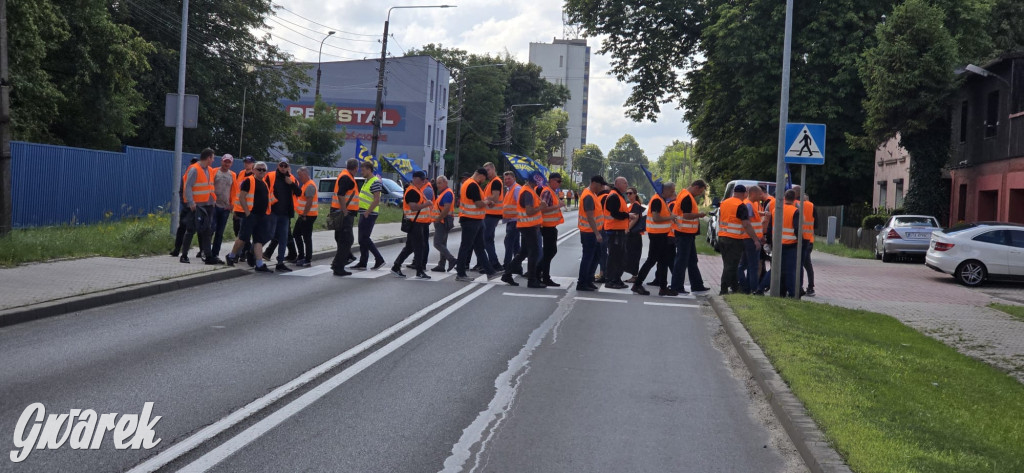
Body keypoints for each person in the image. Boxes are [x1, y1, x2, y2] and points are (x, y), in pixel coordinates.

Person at [225, 162, 275, 273]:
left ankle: (259, 264)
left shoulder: (264, 183)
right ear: (254, 170)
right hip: (250, 215)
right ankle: (231, 256)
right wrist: (247, 213)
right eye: (259, 169)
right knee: (243, 238)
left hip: (261, 216)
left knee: (258, 240)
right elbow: (242, 197)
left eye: (263, 170)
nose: (261, 171)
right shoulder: (249, 181)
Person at [717, 184, 762, 295]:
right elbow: (746, 224)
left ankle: (735, 287)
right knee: (731, 265)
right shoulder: (741, 205)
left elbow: (721, 219)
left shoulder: (724, 203)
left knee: (729, 264)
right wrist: (755, 239)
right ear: (744, 193)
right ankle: (723, 289)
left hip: (722, 237)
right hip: (734, 239)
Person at [632, 183, 676, 296]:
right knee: (651, 260)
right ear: (665, 191)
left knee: (663, 262)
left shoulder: (662, 200)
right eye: (671, 191)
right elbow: (656, 218)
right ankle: (637, 284)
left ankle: (663, 287)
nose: (673, 194)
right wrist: (670, 217)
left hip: (662, 235)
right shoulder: (657, 200)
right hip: (657, 235)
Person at [502, 174, 545, 288]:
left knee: (524, 252)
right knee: (534, 253)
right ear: (534, 182)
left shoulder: (529, 190)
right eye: (538, 182)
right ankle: (532, 280)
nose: (538, 185)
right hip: (529, 226)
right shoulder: (527, 192)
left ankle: (507, 273)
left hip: (527, 225)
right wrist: (541, 207)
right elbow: (529, 211)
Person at [671, 180, 712, 294]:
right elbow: (686, 215)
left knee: (692, 260)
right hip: (684, 233)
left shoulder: (684, 194)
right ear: (696, 187)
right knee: (682, 261)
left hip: (687, 233)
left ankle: (697, 285)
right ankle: (677, 286)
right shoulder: (687, 197)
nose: (700, 194)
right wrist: (700, 214)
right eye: (700, 191)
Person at [455, 169, 497, 281]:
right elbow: (478, 204)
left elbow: (478, 201)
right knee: (466, 247)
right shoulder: (472, 185)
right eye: (484, 178)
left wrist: (486, 202)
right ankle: (460, 273)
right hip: (471, 220)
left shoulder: (470, 184)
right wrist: (487, 202)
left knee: (479, 247)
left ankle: (490, 272)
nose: (484, 181)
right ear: (480, 175)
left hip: (475, 220)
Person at [392, 171, 434, 279]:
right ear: (415, 179)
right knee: (419, 247)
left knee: (410, 247)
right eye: (422, 179)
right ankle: (419, 271)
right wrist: (427, 204)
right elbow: (413, 207)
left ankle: (396, 266)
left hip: (418, 223)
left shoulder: (417, 190)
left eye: (424, 179)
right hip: (415, 224)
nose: (424, 181)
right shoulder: (412, 191)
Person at [261, 161, 301, 272]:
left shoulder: (292, 178)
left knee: (283, 238)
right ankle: (253, 252)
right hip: (273, 212)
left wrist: (291, 183)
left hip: (285, 213)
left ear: (288, 167)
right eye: (281, 165)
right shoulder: (271, 176)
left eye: (285, 166)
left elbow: (299, 192)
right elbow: (264, 190)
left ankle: (280, 262)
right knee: (269, 235)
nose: (283, 168)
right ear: (278, 166)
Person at [181, 149, 219, 264]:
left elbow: (209, 187)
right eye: (212, 158)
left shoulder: (209, 170)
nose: (213, 160)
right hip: (197, 206)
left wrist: (213, 201)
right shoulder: (194, 169)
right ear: (208, 158)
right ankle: (184, 255)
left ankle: (208, 256)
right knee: (191, 230)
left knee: (207, 231)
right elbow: (188, 186)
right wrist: (191, 202)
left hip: (208, 205)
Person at [766, 189, 801, 297]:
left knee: (776, 268)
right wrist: (801, 241)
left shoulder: (776, 210)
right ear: (794, 199)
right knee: (790, 270)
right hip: (790, 244)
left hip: (777, 244)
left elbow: (769, 228)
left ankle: (761, 287)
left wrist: (768, 242)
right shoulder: (795, 210)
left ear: (784, 197)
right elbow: (797, 228)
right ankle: (792, 293)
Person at [601, 177, 634, 289]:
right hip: (614, 231)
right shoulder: (614, 196)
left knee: (620, 257)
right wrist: (628, 216)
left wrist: (626, 216)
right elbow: (615, 213)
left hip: (618, 231)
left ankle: (616, 279)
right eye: (625, 183)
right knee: (614, 257)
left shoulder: (618, 196)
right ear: (618, 184)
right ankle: (610, 280)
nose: (627, 185)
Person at [352, 161, 386, 270]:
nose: (361, 172)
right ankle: (363, 262)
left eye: (363, 170)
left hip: (369, 213)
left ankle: (379, 259)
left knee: (365, 238)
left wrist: (367, 212)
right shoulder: (367, 181)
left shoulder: (374, 181)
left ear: (369, 170)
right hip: (364, 212)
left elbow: (376, 199)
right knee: (362, 239)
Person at [330, 159, 361, 276]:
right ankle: (338, 266)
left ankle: (342, 260)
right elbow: (341, 195)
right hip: (343, 214)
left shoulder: (344, 175)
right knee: (347, 240)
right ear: (356, 168)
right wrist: (345, 210)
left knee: (341, 238)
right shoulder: (347, 178)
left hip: (338, 212)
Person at [576, 176, 607, 291]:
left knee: (595, 256)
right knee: (588, 258)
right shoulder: (588, 196)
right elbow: (590, 217)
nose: (602, 187)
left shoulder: (592, 194)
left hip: (593, 232)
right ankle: (582, 282)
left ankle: (589, 280)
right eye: (600, 185)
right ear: (594, 183)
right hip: (589, 233)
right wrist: (597, 234)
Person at [537, 173, 564, 286]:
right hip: (547, 226)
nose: (559, 183)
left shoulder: (552, 191)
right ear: (552, 181)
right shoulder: (547, 191)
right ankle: (541, 274)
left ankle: (538, 273)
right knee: (549, 252)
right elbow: (543, 209)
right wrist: (558, 206)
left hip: (550, 226)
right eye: (558, 181)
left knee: (549, 252)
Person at [170, 157, 200, 258]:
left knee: (200, 229)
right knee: (182, 227)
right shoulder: (186, 176)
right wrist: (185, 203)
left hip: (199, 207)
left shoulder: (202, 175)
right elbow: (181, 191)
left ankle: (202, 250)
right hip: (187, 207)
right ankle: (177, 249)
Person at [209, 154, 236, 261]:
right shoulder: (214, 171)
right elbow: (209, 186)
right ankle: (205, 251)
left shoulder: (233, 175)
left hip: (225, 208)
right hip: (214, 205)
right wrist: (211, 201)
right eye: (225, 161)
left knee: (220, 233)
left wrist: (232, 204)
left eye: (229, 162)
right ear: (221, 161)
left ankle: (215, 253)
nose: (226, 164)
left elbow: (235, 191)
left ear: (231, 163)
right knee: (211, 229)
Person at [231, 156, 256, 266]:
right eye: (245, 162)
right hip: (238, 208)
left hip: (248, 209)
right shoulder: (240, 174)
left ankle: (239, 254)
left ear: (253, 164)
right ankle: (245, 252)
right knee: (238, 232)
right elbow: (237, 192)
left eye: (249, 162)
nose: (247, 164)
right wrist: (234, 209)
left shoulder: (254, 176)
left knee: (243, 234)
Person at [792, 185, 817, 296]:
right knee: (807, 265)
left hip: (796, 239)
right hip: (809, 239)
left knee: (796, 264)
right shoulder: (811, 206)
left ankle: (797, 286)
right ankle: (810, 287)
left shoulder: (794, 204)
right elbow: (816, 224)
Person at [430, 176, 458, 272]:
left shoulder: (447, 193)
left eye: (440, 183)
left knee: (437, 243)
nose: (438, 185)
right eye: (437, 183)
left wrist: (438, 218)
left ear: (445, 183)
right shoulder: (444, 193)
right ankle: (441, 265)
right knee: (442, 243)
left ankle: (451, 259)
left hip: (442, 221)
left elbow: (446, 208)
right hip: (442, 221)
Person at [292, 166, 318, 267]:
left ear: (306, 174)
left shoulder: (310, 185)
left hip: (308, 215)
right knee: (297, 234)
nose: (299, 177)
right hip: (305, 215)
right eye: (298, 175)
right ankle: (302, 256)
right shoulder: (305, 184)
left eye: (301, 175)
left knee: (306, 237)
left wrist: (304, 214)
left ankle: (307, 259)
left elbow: (309, 202)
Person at [501, 171, 522, 271]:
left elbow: (521, 204)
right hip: (511, 220)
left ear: (514, 179)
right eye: (505, 179)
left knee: (508, 243)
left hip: (515, 220)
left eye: (509, 178)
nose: (506, 181)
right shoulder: (510, 189)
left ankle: (507, 265)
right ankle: (517, 266)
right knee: (515, 245)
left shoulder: (517, 189)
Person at [624, 186, 644, 283]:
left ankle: (635, 276)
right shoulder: (631, 205)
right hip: (632, 234)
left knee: (633, 255)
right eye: (627, 193)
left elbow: (635, 218)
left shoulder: (636, 204)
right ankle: (634, 275)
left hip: (634, 234)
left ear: (635, 194)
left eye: (630, 193)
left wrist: (627, 229)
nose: (628, 195)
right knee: (629, 254)